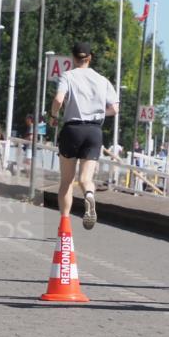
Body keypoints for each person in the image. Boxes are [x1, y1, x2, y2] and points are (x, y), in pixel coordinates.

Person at [50, 42, 118, 230]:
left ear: (73, 57)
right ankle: (89, 194)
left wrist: (53, 116)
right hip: (94, 131)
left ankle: (65, 224)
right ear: (90, 58)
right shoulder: (103, 80)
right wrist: (99, 112)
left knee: (67, 181)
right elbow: (114, 109)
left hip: (72, 129)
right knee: (86, 179)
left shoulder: (68, 76)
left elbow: (58, 99)